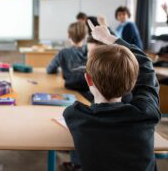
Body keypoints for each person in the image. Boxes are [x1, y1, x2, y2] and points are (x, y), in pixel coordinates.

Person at [63, 20, 161, 171]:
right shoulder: (146, 113)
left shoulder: (75, 115)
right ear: (134, 80)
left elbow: (145, 66)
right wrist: (109, 38)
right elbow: (146, 65)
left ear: (88, 79)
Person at [47, 22, 89, 96]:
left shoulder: (63, 52)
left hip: (70, 90)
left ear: (68, 35)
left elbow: (50, 69)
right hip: (89, 92)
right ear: (85, 36)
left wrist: (60, 70)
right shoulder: (93, 52)